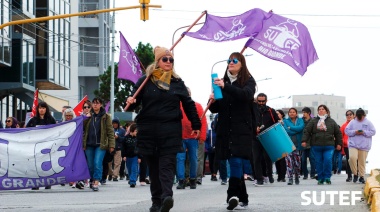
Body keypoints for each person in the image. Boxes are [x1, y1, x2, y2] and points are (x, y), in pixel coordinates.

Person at [126, 46, 201, 212]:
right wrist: (131, 100)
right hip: (148, 130)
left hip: (170, 129)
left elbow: (188, 104)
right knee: (153, 168)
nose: (169, 62)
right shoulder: (145, 80)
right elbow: (134, 103)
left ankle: (167, 197)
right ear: (157, 62)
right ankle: (156, 202)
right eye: (165, 59)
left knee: (166, 165)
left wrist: (196, 125)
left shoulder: (177, 82)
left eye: (171, 60)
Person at [209, 52, 256, 210]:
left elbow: (245, 96)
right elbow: (217, 108)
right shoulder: (221, 81)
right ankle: (243, 198)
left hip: (241, 128)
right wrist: (212, 100)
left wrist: (225, 87)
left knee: (236, 160)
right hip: (225, 128)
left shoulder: (249, 81)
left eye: (235, 60)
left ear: (241, 63)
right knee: (233, 160)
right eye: (229, 60)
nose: (231, 62)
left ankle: (232, 196)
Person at [301, 104, 342, 185]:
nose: (321, 110)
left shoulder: (331, 121)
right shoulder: (314, 121)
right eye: (319, 109)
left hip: (329, 145)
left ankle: (327, 177)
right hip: (316, 145)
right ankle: (320, 178)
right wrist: (304, 140)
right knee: (318, 162)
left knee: (327, 160)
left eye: (323, 109)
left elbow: (338, 133)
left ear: (326, 111)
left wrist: (339, 143)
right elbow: (307, 131)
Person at [176, 87, 207, 189]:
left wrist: (202, 136)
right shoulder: (176, 106)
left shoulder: (197, 106)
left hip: (193, 137)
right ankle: (181, 180)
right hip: (180, 137)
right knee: (180, 158)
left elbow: (203, 122)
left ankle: (193, 179)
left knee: (194, 158)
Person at [83, 97, 115, 191]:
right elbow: (82, 127)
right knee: (90, 165)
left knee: (97, 162)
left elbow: (110, 131)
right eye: (94, 103)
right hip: (89, 144)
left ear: (101, 104)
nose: (95, 105)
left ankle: (96, 181)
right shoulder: (89, 116)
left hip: (101, 144)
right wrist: (86, 117)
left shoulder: (106, 117)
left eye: (97, 103)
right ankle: (92, 180)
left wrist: (112, 145)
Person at [26, 101, 57, 190]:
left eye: (43, 108)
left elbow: (56, 131)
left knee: (47, 164)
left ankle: (47, 182)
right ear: (37, 109)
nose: (41, 110)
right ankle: (36, 183)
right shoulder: (33, 120)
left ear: (46, 109)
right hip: (36, 147)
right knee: (36, 165)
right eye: (40, 108)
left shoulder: (51, 119)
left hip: (48, 146)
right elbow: (26, 131)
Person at [253, 93, 279, 186]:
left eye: (262, 101)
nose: (260, 103)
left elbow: (277, 123)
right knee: (256, 159)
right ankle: (259, 178)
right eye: (259, 101)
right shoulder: (252, 110)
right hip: (255, 138)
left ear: (266, 101)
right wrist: (254, 127)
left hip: (268, 137)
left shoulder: (271, 111)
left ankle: (269, 174)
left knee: (267, 158)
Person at [345, 108, 376, 184]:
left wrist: (364, 132)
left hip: (364, 145)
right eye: (358, 116)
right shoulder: (352, 122)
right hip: (353, 144)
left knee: (362, 162)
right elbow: (347, 131)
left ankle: (361, 176)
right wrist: (355, 132)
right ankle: (355, 174)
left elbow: (373, 131)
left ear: (364, 115)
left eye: (360, 116)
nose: (359, 118)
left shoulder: (368, 122)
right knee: (352, 158)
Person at [283, 108, 305, 185]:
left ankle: (296, 176)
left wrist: (291, 128)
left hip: (298, 145)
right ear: (288, 113)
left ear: (296, 113)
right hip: (289, 145)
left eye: (293, 112)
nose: (292, 113)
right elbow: (286, 130)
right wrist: (294, 130)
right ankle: (290, 178)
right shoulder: (285, 121)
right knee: (289, 162)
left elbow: (301, 128)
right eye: (290, 112)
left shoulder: (300, 120)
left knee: (297, 162)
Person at [122, 123, 140, 187]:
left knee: (134, 169)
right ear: (132, 130)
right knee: (129, 169)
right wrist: (123, 155)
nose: (136, 132)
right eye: (136, 131)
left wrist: (140, 157)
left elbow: (140, 148)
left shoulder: (138, 139)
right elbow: (123, 148)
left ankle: (133, 181)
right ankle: (131, 178)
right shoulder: (126, 138)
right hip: (128, 156)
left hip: (135, 156)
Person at [301, 107, 316, 180]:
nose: (303, 114)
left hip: (311, 143)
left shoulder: (313, 121)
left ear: (309, 113)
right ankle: (305, 174)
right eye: (303, 112)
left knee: (312, 159)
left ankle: (312, 174)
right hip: (303, 143)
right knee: (303, 160)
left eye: (304, 112)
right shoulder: (301, 121)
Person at [340, 110, 354, 182]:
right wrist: (342, 148)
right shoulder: (343, 126)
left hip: (356, 146)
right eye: (347, 115)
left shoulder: (356, 124)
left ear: (353, 115)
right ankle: (349, 176)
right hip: (346, 146)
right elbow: (340, 136)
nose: (349, 116)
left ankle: (356, 175)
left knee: (355, 161)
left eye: (350, 114)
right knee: (349, 161)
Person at [275, 110, 286, 182]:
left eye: (278, 114)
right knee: (277, 160)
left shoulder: (285, 122)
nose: (277, 115)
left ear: (282, 115)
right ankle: (279, 175)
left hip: (283, 143)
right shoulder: (273, 122)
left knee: (282, 160)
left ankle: (283, 176)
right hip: (275, 143)